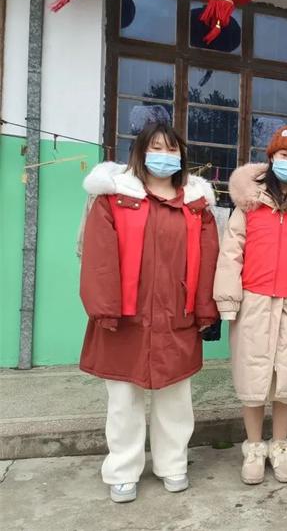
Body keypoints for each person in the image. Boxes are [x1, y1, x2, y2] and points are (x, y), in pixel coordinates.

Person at [79, 122, 219, 503]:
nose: (164, 155)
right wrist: (104, 309)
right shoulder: (114, 199)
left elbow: (209, 260)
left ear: (182, 157)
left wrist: (206, 310)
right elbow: (98, 257)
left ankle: (172, 464)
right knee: (124, 399)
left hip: (176, 316)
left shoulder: (196, 206)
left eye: (172, 149)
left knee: (176, 398)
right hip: (126, 318)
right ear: (141, 152)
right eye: (156, 147)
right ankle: (123, 470)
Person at [213, 124, 287, 485]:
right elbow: (231, 252)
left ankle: (280, 446)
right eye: (283, 155)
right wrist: (228, 299)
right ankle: (253, 447)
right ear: (271, 158)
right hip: (254, 301)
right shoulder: (249, 205)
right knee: (253, 376)